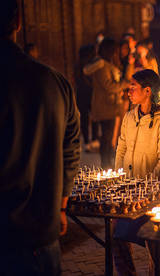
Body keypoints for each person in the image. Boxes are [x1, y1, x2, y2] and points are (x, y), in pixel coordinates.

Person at [0, 1, 80, 275]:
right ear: (18, 21)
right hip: (41, 233)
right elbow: (71, 148)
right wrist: (61, 205)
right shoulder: (53, 82)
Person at [113, 69, 160, 276]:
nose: (129, 91)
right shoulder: (129, 116)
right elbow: (121, 147)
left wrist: (151, 184)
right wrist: (117, 177)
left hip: (151, 190)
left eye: (133, 87)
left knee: (152, 239)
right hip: (126, 187)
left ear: (147, 91)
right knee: (118, 236)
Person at [84, 38, 134, 169]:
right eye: (115, 50)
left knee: (109, 135)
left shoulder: (106, 64)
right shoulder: (102, 66)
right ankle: (106, 164)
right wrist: (125, 84)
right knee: (107, 136)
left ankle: (108, 162)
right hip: (105, 106)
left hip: (109, 105)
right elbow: (109, 86)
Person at [74, 44, 96, 149]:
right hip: (88, 93)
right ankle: (92, 140)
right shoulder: (86, 66)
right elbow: (84, 81)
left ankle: (88, 140)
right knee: (92, 116)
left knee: (85, 117)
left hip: (82, 94)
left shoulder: (79, 65)